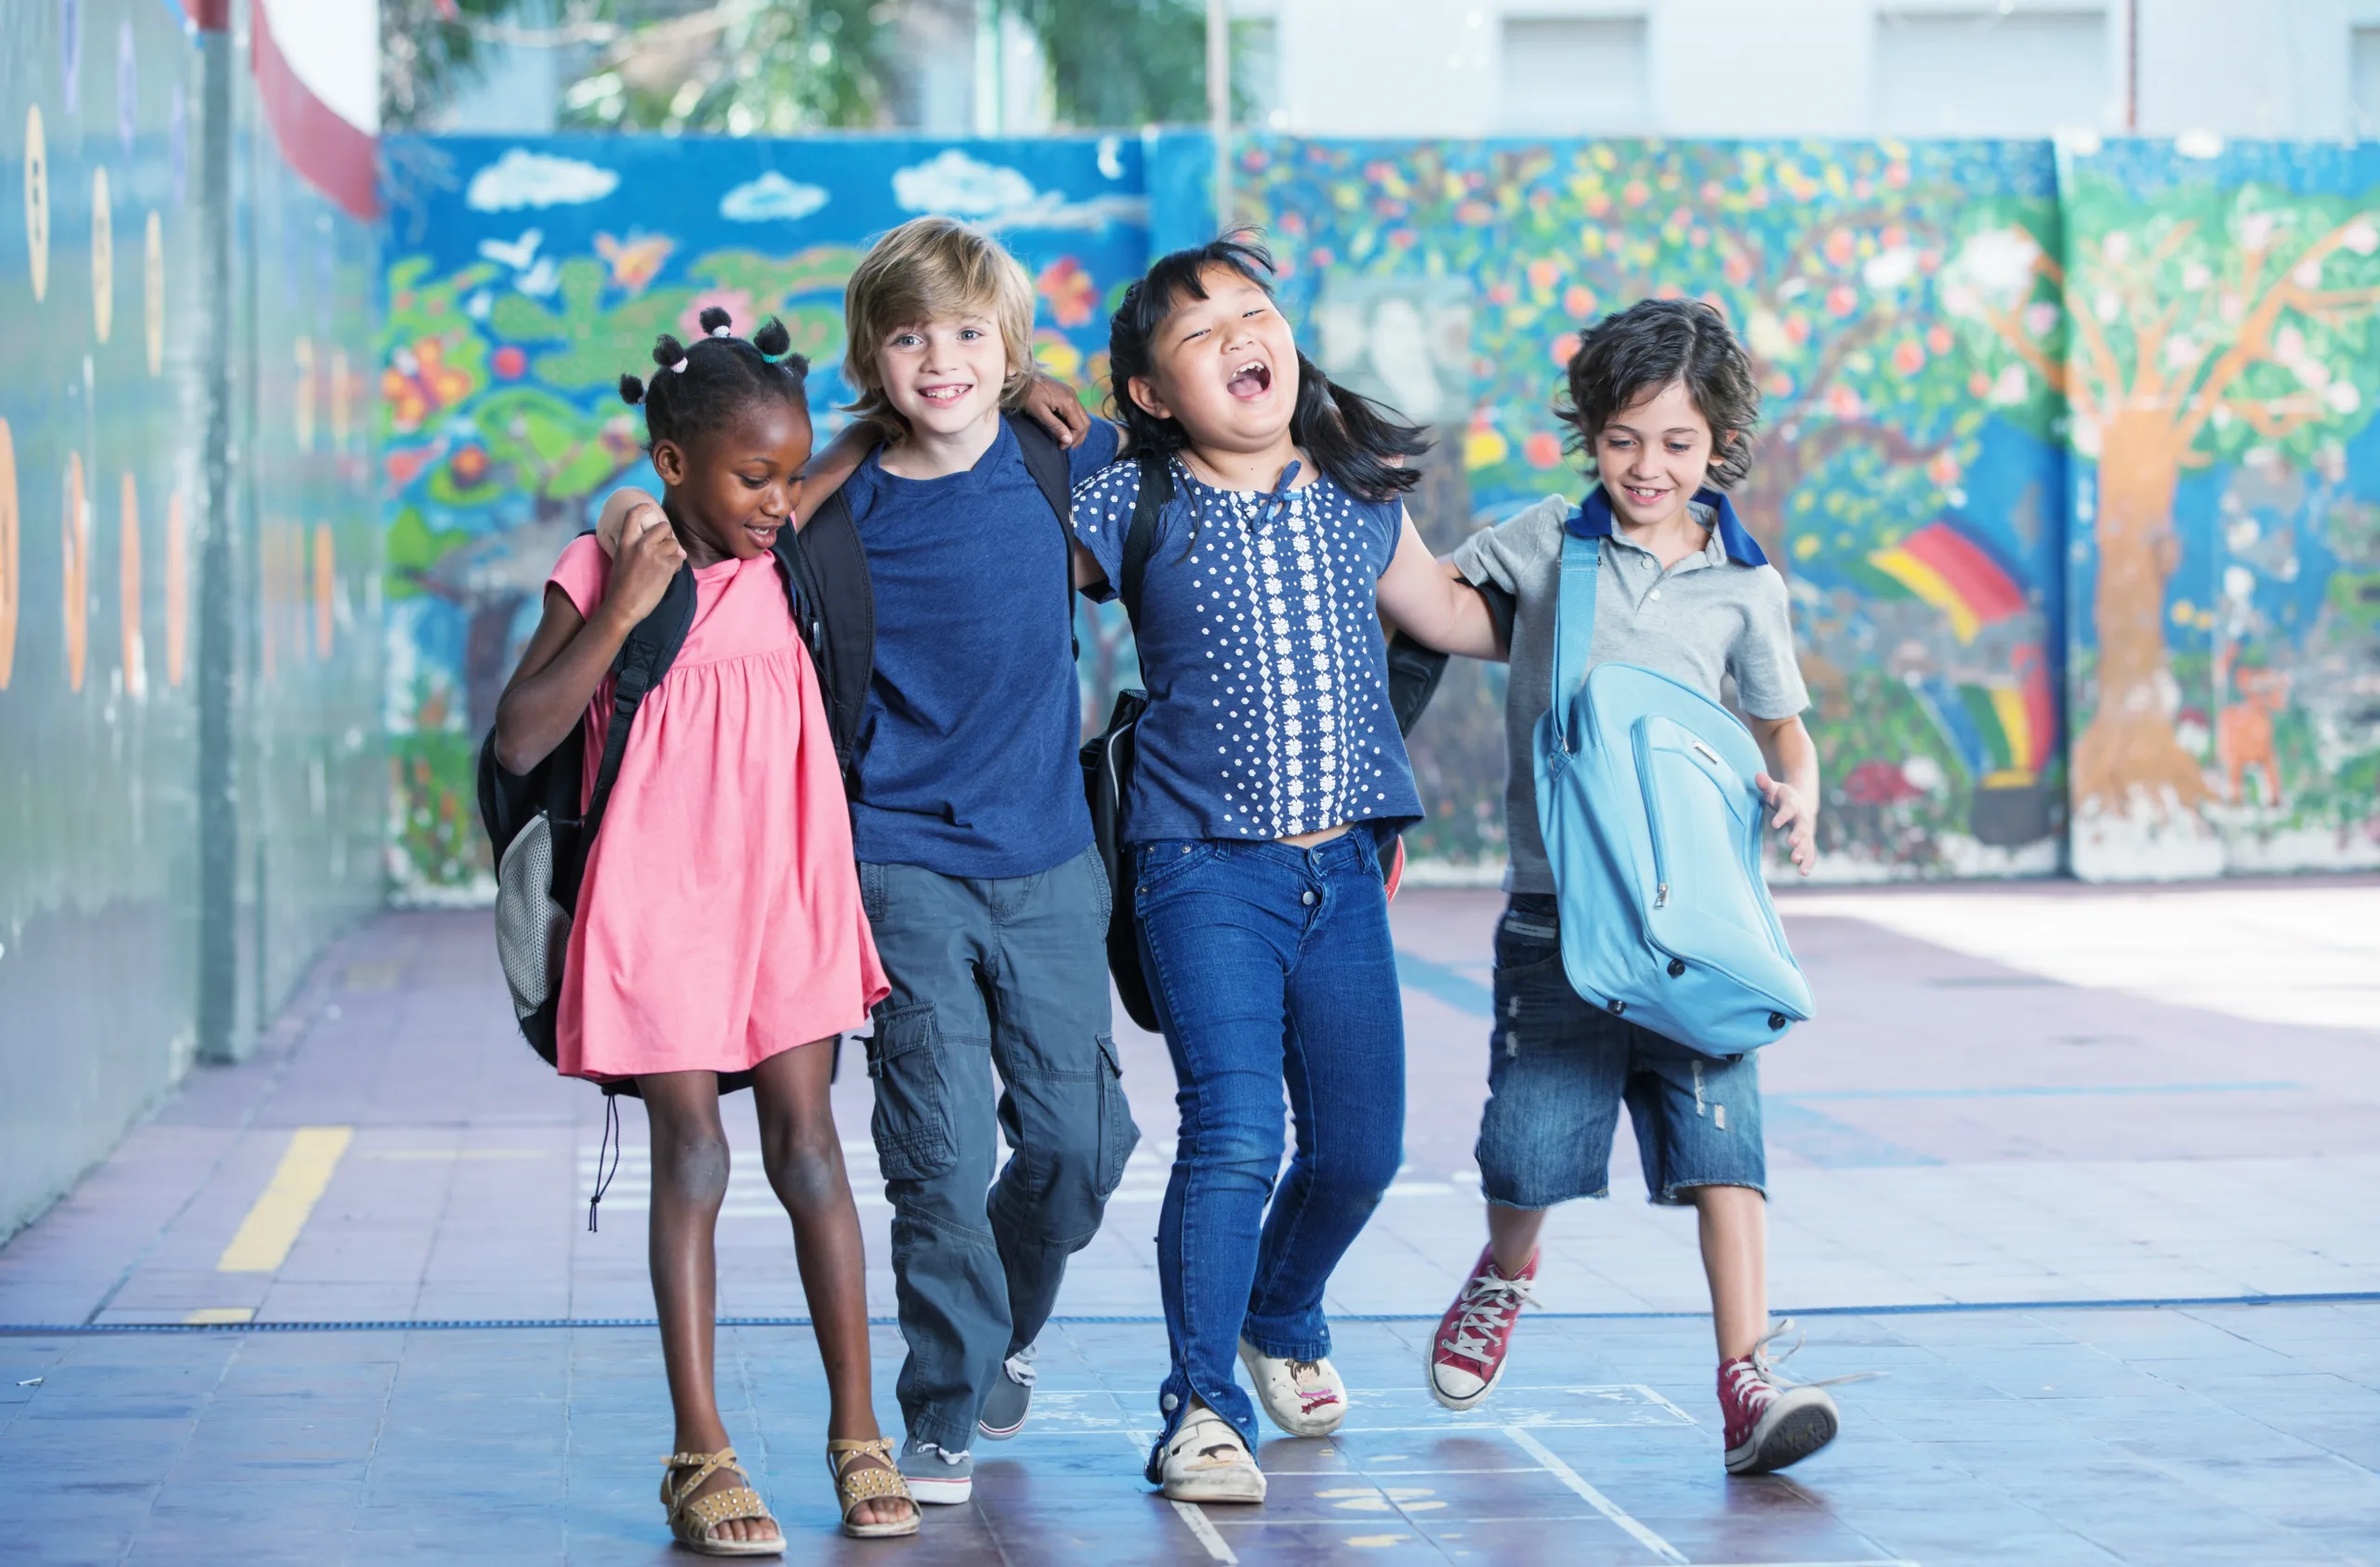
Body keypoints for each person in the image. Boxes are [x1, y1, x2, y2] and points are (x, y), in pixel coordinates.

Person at [602, 217, 1133, 1507]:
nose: (938, 359)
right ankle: (938, 1405)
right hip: (893, 857)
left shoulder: (1068, 460)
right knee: (938, 1153)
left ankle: (997, 1317)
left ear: (1006, 344)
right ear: (868, 358)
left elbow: (1182, 460)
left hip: (1051, 852)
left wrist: (1049, 386)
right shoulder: (828, 511)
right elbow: (694, 493)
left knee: (1082, 1144)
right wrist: (628, 510)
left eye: (965, 333)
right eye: (907, 337)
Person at [1068, 236, 1501, 1505]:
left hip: (1345, 875)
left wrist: (1619, 562)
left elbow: (1461, 618)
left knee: (1362, 1150)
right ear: (1151, 394)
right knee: (1236, 1133)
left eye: (1254, 315)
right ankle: (1200, 1408)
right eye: (1198, 335)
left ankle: (1281, 1311)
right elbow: (995, 546)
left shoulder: (1362, 497)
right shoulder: (1124, 502)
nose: (1238, 338)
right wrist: (1046, 416)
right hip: (1200, 868)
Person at [492, 310, 919, 1548]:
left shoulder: (787, 540)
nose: (780, 501)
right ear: (670, 464)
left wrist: (1035, 384)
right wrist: (625, 605)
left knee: (810, 1147)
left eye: (787, 476)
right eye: (751, 478)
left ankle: (859, 1433)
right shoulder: (606, 561)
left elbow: (862, 433)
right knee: (692, 1154)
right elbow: (521, 734)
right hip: (659, 895)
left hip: (786, 881)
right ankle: (700, 1453)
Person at [1403, 297, 1839, 1476]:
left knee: (1723, 1145)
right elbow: (1436, 610)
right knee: (1528, 1148)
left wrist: (1796, 788)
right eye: (1624, 440)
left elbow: (1783, 733)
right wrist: (1364, 500)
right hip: (1558, 910)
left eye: (1677, 444)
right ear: (1590, 434)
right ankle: (1506, 1269)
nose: (1649, 467)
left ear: (1720, 448)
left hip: (1696, 925)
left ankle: (1747, 1375)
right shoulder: (1547, 544)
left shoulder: (1748, 588)